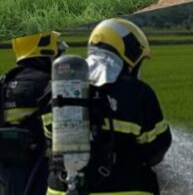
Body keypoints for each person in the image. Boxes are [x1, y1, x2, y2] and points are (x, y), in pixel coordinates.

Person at [44, 18, 171, 195]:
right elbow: (156, 149)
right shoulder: (138, 92)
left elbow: (49, 137)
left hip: (59, 189)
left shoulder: (56, 87)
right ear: (130, 53)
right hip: (122, 188)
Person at [1, 31, 67, 195]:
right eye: (57, 51)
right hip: (41, 169)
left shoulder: (6, 81)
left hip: (9, 172)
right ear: (44, 50)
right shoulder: (49, 82)